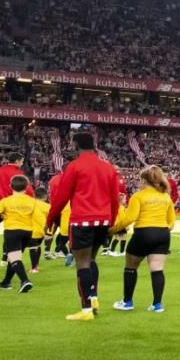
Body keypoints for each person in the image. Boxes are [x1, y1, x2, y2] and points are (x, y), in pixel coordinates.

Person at [47, 132, 122, 321]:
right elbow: (115, 198)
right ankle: (93, 297)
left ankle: (86, 309)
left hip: (82, 220)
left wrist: (51, 218)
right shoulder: (108, 167)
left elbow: (61, 197)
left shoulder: (74, 166)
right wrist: (111, 220)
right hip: (103, 220)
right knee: (92, 259)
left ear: (75, 145)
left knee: (82, 263)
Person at [111, 165, 175, 313]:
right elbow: (171, 221)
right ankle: (157, 305)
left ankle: (127, 302)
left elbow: (130, 218)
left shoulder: (138, 196)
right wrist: (162, 230)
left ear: (144, 180)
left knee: (130, 267)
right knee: (157, 269)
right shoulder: (166, 197)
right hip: (163, 234)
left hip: (143, 233)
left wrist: (111, 230)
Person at [0, 153, 33, 267]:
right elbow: (28, 190)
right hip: (12, 206)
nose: (22, 163)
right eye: (21, 161)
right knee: (9, 232)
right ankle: (4, 259)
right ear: (17, 161)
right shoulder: (19, 173)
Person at [28, 187, 51, 274]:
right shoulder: (48, 206)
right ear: (45, 196)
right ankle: (36, 265)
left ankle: (34, 268)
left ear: (34, 195)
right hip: (42, 231)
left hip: (32, 230)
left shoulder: (30, 204)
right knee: (38, 246)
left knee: (33, 248)